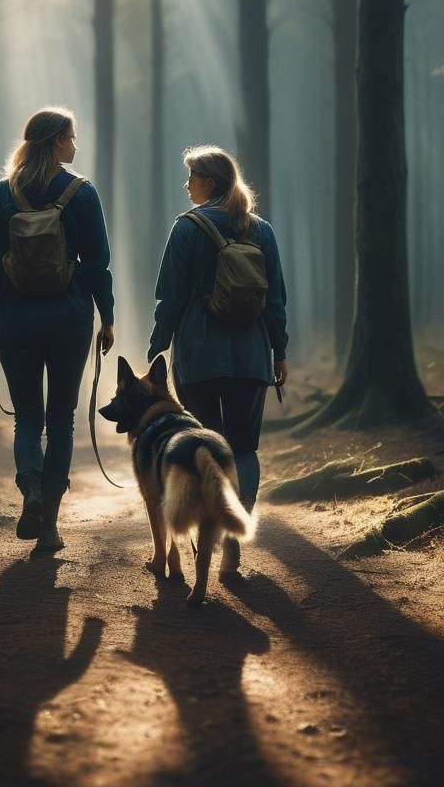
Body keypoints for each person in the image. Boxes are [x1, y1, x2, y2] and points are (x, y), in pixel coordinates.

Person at [0, 108, 114, 554]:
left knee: (27, 418)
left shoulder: (3, 193)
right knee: (60, 420)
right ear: (57, 141)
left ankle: (30, 489)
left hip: (14, 317)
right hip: (70, 316)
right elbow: (97, 264)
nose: (75, 146)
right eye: (71, 138)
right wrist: (106, 316)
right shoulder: (81, 192)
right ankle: (50, 528)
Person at [148, 145, 288, 577]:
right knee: (243, 448)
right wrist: (279, 351)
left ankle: (205, 543)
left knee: (202, 448)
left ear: (208, 182)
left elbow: (170, 297)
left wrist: (158, 346)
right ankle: (231, 543)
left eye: (190, 176)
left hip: (199, 357)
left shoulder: (187, 229)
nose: (186, 184)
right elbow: (276, 299)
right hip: (250, 358)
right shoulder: (260, 229)